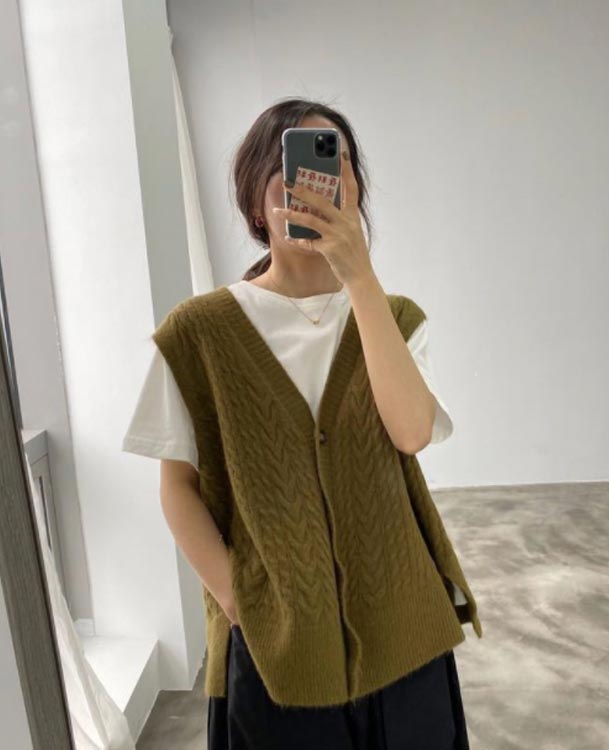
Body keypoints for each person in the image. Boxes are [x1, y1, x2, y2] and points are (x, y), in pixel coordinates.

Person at [122, 97, 480, 750]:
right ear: (256, 201)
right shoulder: (199, 332)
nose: (316, 184)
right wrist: (239, 601)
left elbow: (411, 433)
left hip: (406, 634)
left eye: (334, 167)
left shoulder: (395, 318)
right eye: (294, 167)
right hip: (276, 644)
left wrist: (359, 277)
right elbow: (178, 486)